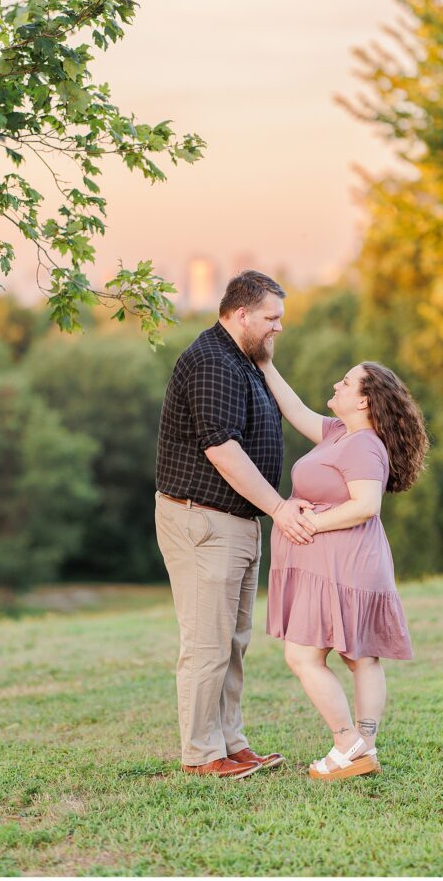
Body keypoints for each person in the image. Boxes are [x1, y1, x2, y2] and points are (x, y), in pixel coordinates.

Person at [155, 270, 315, 779]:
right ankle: (201, 755)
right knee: (207, 642)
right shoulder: (211, 361)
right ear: (240, 313)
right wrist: (280, 509)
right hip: (204, 520)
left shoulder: (244, 362)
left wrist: (266, 362)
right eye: (271, 319)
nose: (279, 328)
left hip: (237, 522)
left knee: (233, 641)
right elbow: (222, 450)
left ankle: (229, 741)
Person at [259, 351, 429, 781]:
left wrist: (309, 521)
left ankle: (347, 742)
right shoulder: (338, 432)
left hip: (346, 565)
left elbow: (365, 506)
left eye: (346, 382)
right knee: (361, 658)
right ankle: (363, 749)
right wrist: (265, 364)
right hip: (337, 564)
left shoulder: (365, 445)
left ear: (365, 402)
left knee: (304, 655)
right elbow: (294, 408)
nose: (337, 384)